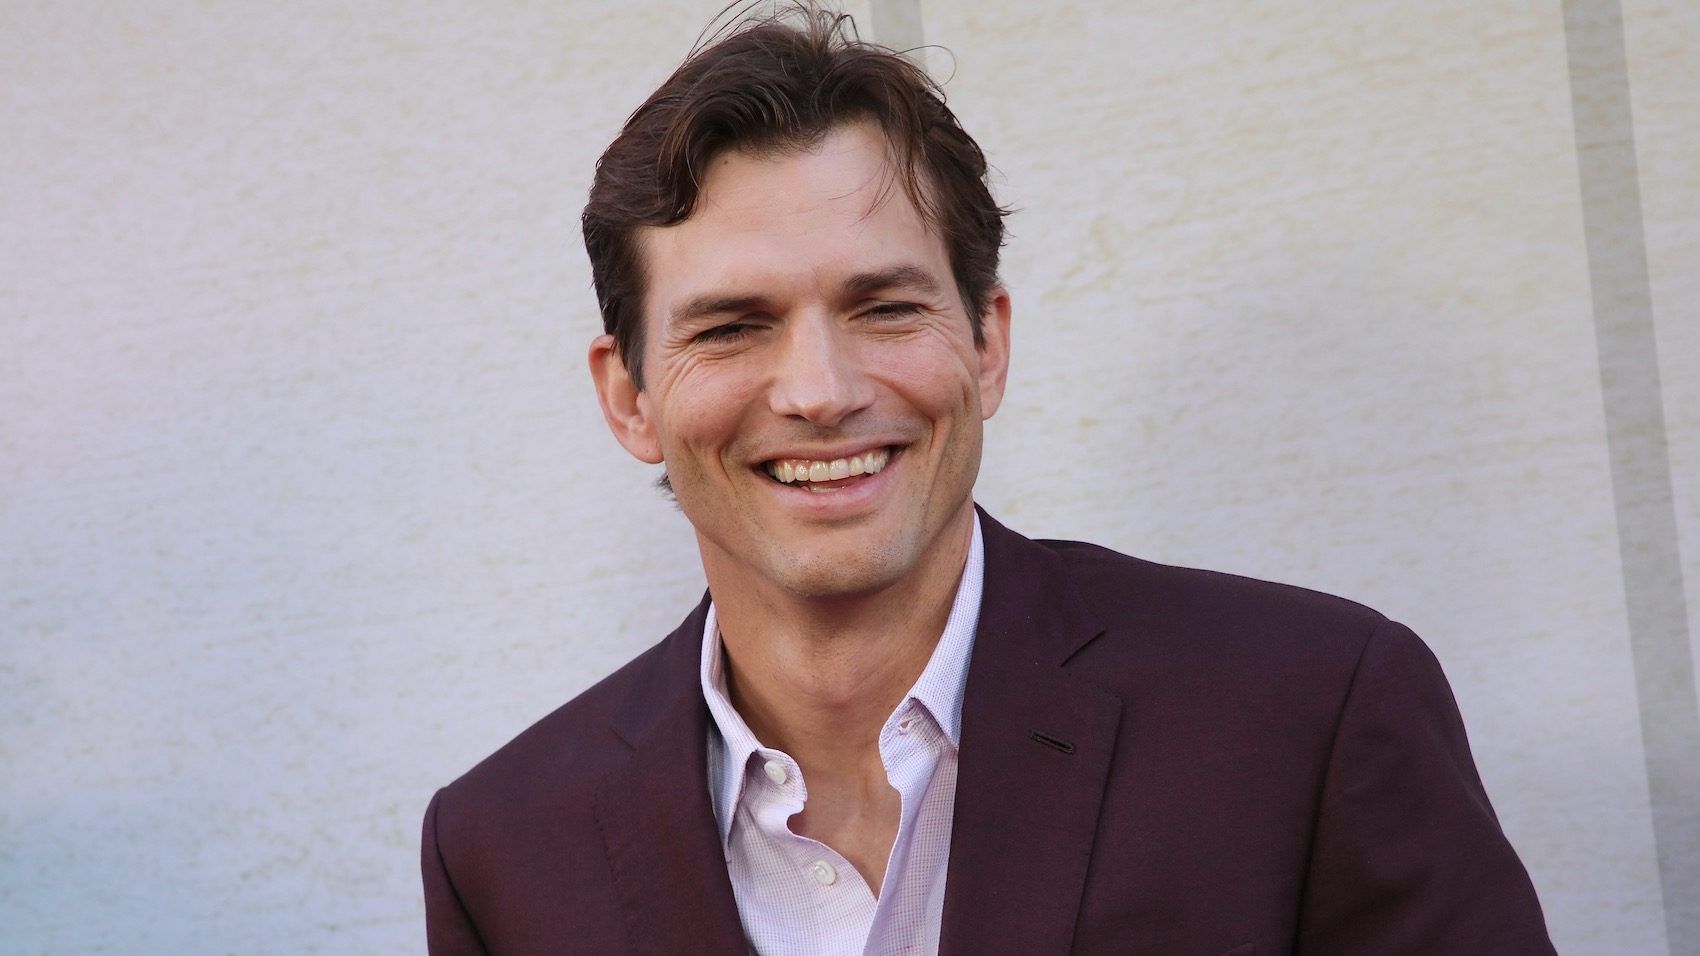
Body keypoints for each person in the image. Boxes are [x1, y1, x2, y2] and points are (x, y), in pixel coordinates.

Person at [421, 8, 1554, 954]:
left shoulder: (1310, 713)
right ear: (628, 398)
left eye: (884, 306)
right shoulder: (504, 850)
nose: (818, 389)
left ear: (986, 345)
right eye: (731, 325)